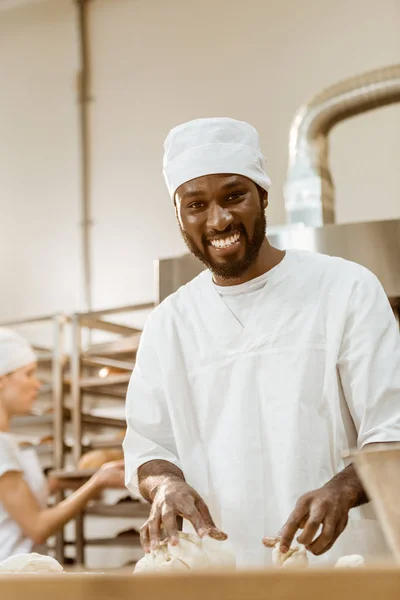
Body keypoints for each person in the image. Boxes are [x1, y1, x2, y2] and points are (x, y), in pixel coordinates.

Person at [123, 117, 400, 568]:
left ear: (264, 196)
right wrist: (166, 486)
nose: (219, 220)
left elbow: (391, 429)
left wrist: (343, 489)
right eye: (196, 204)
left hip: (339, 567)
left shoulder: (345, 288)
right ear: (178, 215)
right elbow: (148, 447)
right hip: (220, 573)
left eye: (234, 195)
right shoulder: (168, 324)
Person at [0, 328, 125, 561]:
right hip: (9, 577)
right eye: (28, 374)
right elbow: (37, 527)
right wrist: (97, 482)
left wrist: (57, 483)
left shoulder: (6, 441)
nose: (37, 384)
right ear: (2, 380)